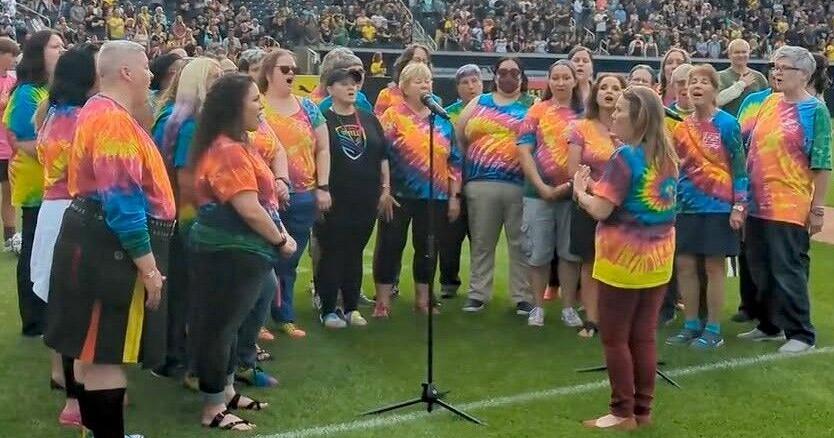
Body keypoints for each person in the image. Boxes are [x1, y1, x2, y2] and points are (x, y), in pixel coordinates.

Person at [44, 40, 175, 438]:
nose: (152, 76)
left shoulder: (100, 111)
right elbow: (122, 203)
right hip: (109, 249)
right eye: (147, 68)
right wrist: (149, 267)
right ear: (126, 73)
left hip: (94, 240)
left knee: (91, 349)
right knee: (105, 355)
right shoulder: (112, 120)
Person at [188, 73, 296, 431]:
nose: (260, 106)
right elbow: (248, 208)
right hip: (229, 251)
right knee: (220, 328)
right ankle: (212, 407)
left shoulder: (239, 143)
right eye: (253, 100)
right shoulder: (228, 150)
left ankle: (228, 389)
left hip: (246, 252)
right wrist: (281, 241)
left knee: (234, 324)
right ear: (235, 107)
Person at [574, 86, 678, 430]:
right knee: (644, 336)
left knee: (616, 337)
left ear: (639, 118)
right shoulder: (666, 155)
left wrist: (579, 191)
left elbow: (602, 209)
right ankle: (643, 411)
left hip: (624, 261)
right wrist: (593, 190)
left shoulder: (625, 157)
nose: (613, 114)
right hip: (659, 260)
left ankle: (621, 412)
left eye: (620, 110)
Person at [740, 45, 831, 354]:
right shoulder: (768, 103)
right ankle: (769, 324)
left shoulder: (815, 110)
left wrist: (817, 209)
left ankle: (801, 333)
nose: (776, 72)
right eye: (775, 66)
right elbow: (750, 148)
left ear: (804, 74)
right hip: (756, 201)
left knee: (785, 267)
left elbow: (821, 162)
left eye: (784, 68)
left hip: (789, 202)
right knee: (759, 267)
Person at [29, 42, 98, 429]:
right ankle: (78, 392)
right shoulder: (84, 119)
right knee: (79, 302)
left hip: (51, 210)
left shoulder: (50, 113)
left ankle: (63, 374)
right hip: (75, 210)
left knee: (60, 297)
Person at [666, 64, 747, 350]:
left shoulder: (727, 124)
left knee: (713, 267)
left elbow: (739, 167)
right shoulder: (682, 127)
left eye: (703, 82)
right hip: (686, 206)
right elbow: (676, 168)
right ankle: (691, 324)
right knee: (685, 265)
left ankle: (713, 329)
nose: (696, 86)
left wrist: (739, 206)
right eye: (692, 82)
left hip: (717, 206)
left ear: (715, 89)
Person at [373, 62, 463, 317]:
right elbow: (381, 156)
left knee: (428, 248)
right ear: (404, 87)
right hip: (398, 194)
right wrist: (384, 189)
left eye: (428, 81)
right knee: (390, 246)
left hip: (435, 196)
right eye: (418, 81)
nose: (425, 85)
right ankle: (383, 302)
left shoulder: (442, 118)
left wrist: (454, 196)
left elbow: (454, 160)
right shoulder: (392, 116)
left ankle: (424, 300)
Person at [259, 49, 330, 338]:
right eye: (284, 68)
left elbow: (323, 148)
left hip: (303, 195)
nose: (291, 73)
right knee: (263, 257)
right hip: (265, 197)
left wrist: (323, 186)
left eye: (294, 68)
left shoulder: (309, 108)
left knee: (290, 259)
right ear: (268, 72)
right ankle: (258, 318)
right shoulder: (257, 105)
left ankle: (284, 313)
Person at [455, 57, 533, 315]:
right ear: (495, 75)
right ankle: (478, 293)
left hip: (520, 184)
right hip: (481, 183)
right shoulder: (480, 102)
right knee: (481, 241)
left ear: (521, 76)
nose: (508, 76)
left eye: (514, 72)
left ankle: (522, 295)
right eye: (503, 72)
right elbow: (460, 135)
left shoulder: (532, 105)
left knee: (521, 243)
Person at [317, 67, 390, 328]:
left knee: (355, 252)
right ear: (330, 88)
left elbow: (382, 156)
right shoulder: (322, 118)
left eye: (355, 83)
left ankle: (350, 307)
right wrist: (321, 189)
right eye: (344, 83)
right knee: (332, 251)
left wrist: (386, 189)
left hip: (365, 196)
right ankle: (328, 309)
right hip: (335, 197)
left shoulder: (369, 119)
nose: (351, 88)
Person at [3, 29, 63, 338]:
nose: (61, 50)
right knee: (33, 251)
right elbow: (22, 141)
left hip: (52, 182)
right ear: (40, 53)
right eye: (55, 46)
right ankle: (34, 320)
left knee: (45, 250)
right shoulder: (27, 93)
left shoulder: (52, 89)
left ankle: (44, 313)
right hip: (36, 185)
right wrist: (63, 155)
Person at [517, 59, 582, 326]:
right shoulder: (537, 111)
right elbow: (524, 149)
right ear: (548, 81)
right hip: (537, 193)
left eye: (566, 77)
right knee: (538, 252)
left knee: (569, 253)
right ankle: (537, 307)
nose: (561, 82)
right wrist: (542, 187)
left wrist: (569, 186)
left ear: (575, 81)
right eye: (556, 77)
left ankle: (568, 307)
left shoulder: (584, 113)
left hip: (574, 196)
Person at [566, 73, 625, 336]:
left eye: (615, 88)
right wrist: (598, 192)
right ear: (596, 93)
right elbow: (574, 169)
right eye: (604, 87)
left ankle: (617, 318)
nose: (609, 92)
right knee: (590, 262)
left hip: (623, 207)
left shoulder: (631, 128)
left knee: (619, 263)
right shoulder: (581, 127)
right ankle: (591, 320)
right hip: (589, 203)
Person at [439, 64, 482, 299]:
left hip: (481, 181)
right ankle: (448, 282)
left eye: (474, 81)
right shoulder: (447, 114)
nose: (470, 86)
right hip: (452, 184)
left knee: (481, 238)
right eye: (465, 82)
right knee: (450, 238)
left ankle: (479, 285)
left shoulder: (489, 110)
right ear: (457, 87)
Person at [373, 43, 432, 117]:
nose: (421, 65)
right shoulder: (387, 95)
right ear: (405, 62)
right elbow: (377, 124)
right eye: (417, 60)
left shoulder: (433, 101)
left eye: (424, 61)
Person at [0, 37, 18, 253]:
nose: (14, 59)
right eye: (10, 54)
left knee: (9, 194)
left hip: (8, 147)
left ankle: (10, 236)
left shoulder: (13, 80)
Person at [717, 39, 768, 118]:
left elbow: (767, 104)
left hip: (754, 127)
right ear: (729, 55)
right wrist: (740, 85)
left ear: (749, 53)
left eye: (744, 52)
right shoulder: (719, 77)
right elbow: (717, 101)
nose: (741, 55)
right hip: (729, 127)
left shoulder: (759, 77)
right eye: (737, 52)